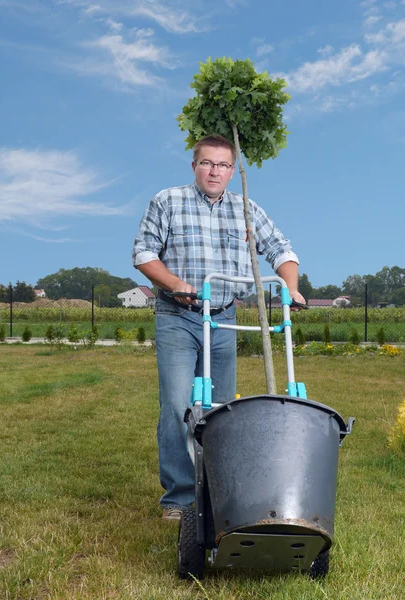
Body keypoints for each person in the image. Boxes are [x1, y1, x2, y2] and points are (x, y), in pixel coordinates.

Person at [132, 134, 305, 521]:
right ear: (194, 166)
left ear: (232, 170)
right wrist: (175, 283)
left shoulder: (247, 208)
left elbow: (281, 248)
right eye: (207, 163)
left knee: (221, 410)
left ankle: (216, 493)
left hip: (224, 319)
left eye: (223, 165)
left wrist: (290, 286)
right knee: (179, 405)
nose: (215, 171)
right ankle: (179, 499)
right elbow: (143, 253)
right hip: (178, 315)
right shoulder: (167, 201)